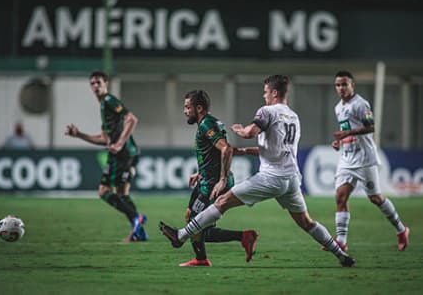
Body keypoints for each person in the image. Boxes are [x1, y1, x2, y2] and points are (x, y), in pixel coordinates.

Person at [160, 75, 355, 267]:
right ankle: (341, 254)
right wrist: (244, 151)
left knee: (221, 202)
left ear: (274, 92)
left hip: (271, 178)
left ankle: (181, 235)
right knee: (307, 222)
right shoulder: (294, 117)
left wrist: (241, 130)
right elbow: (274, 149)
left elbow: (250, 133)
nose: (264, 96)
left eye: (266, 92)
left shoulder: (267, 111)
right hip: (292, 178)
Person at [165, 90, 258, 267]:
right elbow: (213, 152)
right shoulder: (208, 123)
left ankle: (242, 237)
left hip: (213, 184)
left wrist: (222, 179)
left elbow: (226, 149)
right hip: (205, 180)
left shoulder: (206, 125)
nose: (185, 111)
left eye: (187, 107)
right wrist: (200, 172)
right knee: (191, 218)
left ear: (199, 108)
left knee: (196, 225)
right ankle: (203, 257)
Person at [330, 70, 409, 251]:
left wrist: (348, 133)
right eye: (338, 85)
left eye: (344, 84)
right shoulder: (338, 107)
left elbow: (371, 126)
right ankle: (341, 241)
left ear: (352, 85)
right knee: (340, 197)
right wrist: (339, 141)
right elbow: (346, 129)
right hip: (347, 158)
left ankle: (401, 229)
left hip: (365, 158)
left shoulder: (360, 104)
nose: (341, 88)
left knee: (375, 198)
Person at [65, 70, 147, 242]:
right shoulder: (103, 107)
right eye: (92, 83)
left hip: (121, 154)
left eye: (98, 83)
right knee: (122, 193)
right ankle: (138, 232)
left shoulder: (109, 101)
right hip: (129, 153)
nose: (95, 86)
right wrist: (79, 134)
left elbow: (132, 119)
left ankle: (136, 218)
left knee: (103, 191)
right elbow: (104, 139)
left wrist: (119, 143)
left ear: (106, 84)